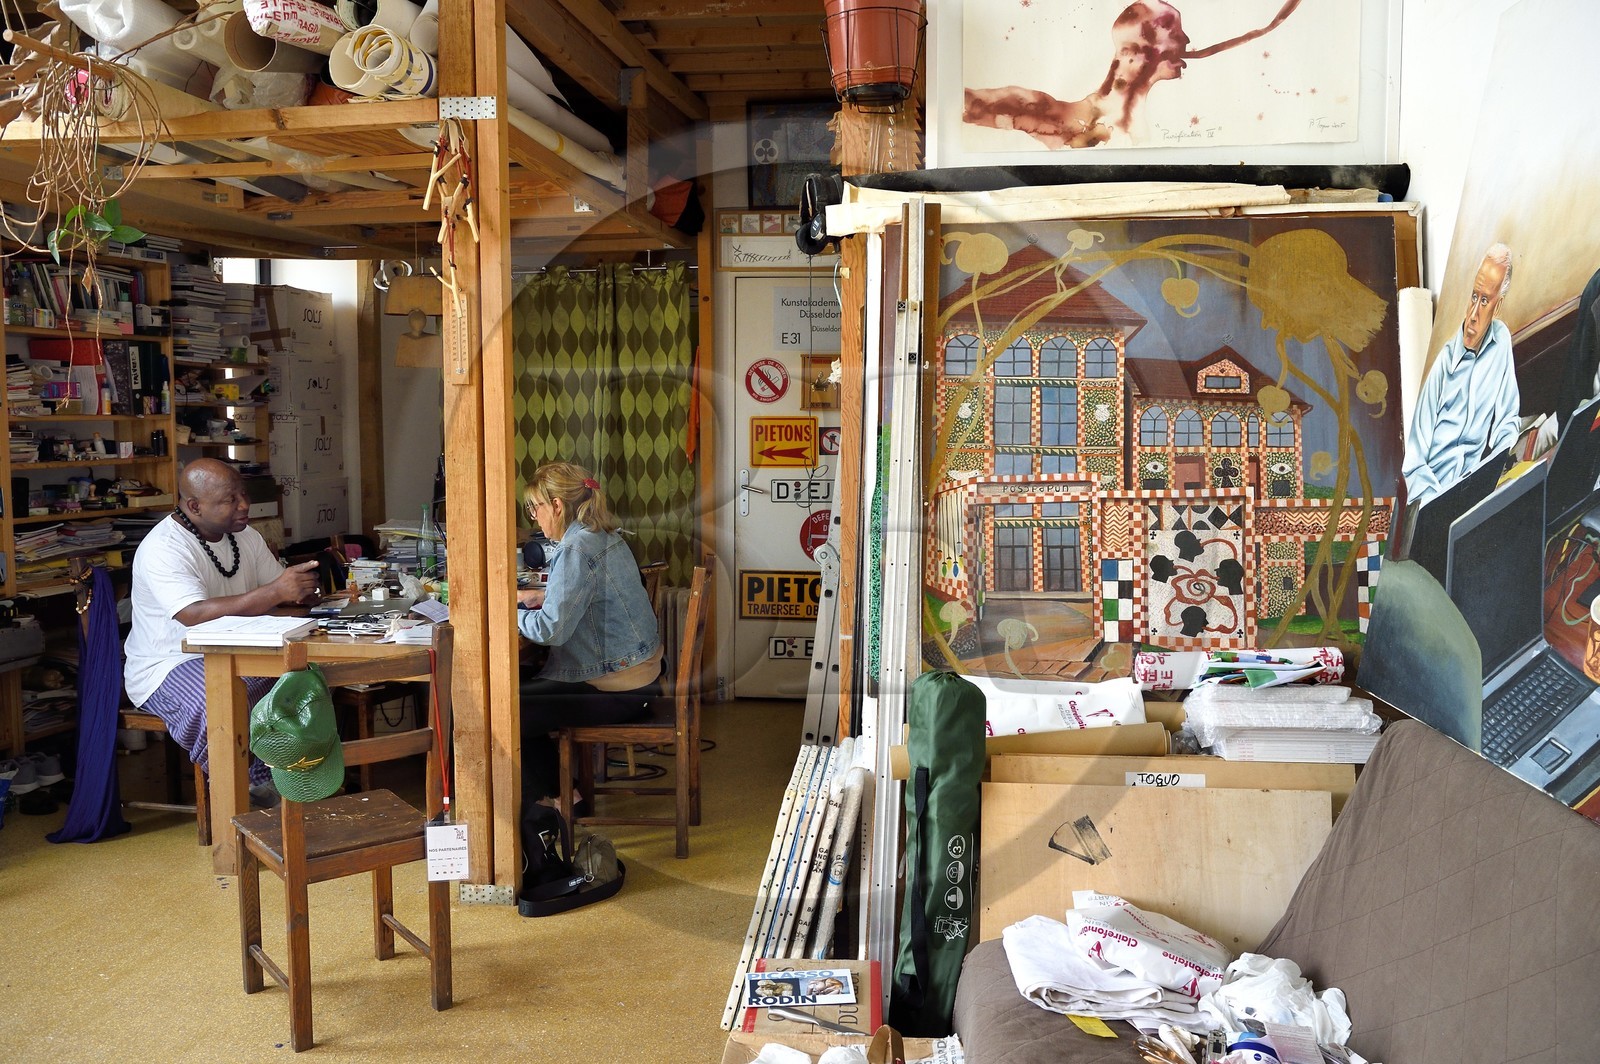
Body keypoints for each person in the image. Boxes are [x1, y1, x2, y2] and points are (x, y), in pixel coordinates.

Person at [123, 458, 321, 795]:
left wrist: (303, 590)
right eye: (230, 500)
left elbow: (282, 593)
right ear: (195, 506)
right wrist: (276, 591)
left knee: (307, 678)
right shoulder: (164, 547)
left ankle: (296, 781)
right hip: (170, 663)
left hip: (241, 651)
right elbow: (194, 614)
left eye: (243, 494)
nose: (244, 505)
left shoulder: (245, 536)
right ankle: (240, 792)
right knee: (219, 700)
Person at [516, 462, 663, 809]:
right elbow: (591, 596)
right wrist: (540, 598)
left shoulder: (574, 548)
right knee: (517, 686)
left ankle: (563, 799)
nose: (534, 517)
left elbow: (551, 630)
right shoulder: (604, 534)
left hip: (617, 688)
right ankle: (564, 792)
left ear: (556, 505)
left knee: (505, 708)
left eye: (535, 507)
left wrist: (507, 613)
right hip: (643, 676)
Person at [963, 0, 1300, 149]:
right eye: (1172, 30)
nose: (1185, 41)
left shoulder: (1137, 131)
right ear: (1132, 53)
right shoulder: (1045, 112)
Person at [1402, 243, 1520, 507]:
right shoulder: (1444, 364)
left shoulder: (1501, 341)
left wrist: (1499, 464)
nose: (1473, 315)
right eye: (1474, 297)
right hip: (1433, 498)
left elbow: (1507, 420)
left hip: (1475, 491)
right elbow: (1413, 465)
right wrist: (1437, 506)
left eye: (1485, 301)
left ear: (1497, 307)